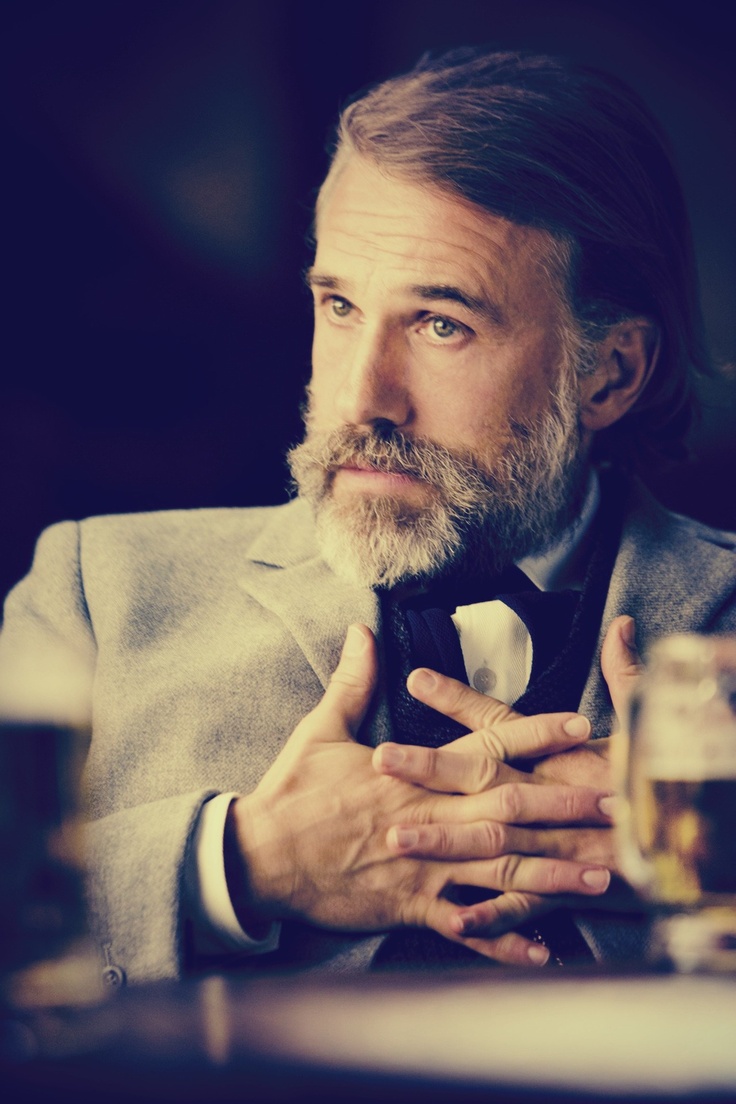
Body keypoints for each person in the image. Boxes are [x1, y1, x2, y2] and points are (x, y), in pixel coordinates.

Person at [1, 48, 734, 986]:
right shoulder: (96, 591)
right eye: (340, 305)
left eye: (441, 324)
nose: (362, 398)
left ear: (609, 372)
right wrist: (239, 864)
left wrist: (719, 854)